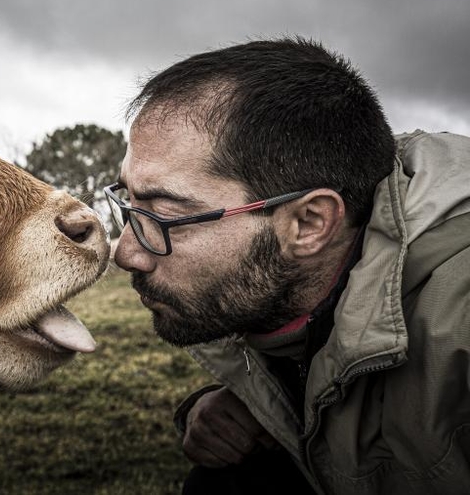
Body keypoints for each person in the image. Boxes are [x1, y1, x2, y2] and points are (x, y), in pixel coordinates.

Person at [107, 38, 470, 494]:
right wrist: (266, 409)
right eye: (129, 202)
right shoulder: (287, 290)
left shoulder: (460, 327)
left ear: (310, 223)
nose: (126, 253)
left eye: (168, 214)